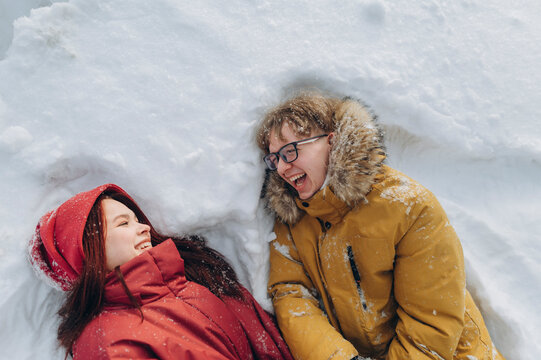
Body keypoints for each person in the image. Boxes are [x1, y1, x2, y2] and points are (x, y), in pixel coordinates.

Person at [255, 93, 504, 360]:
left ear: (331, 140)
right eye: (275, 158)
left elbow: (430, 328)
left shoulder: (409, 207)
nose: (282, 167)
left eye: (291, 150)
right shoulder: (293, 219)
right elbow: (292, 293)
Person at [29, 183, 293, 360]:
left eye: (138, 219)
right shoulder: (105, 341)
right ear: (88, 248)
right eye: (124, 223)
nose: (144, 228)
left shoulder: (193, 276)